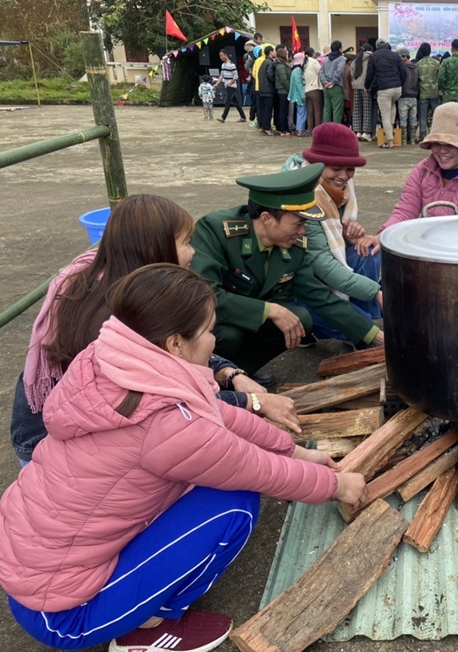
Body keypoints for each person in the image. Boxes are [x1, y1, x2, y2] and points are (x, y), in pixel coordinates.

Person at [0, 264, 367, 652]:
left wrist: (294, 450)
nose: (214, 341)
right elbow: (253, 468)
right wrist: (337, 485)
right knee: (235, 504)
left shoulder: (117, 363)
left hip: (32, 572)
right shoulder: (167, 424)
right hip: (64, 615)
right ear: (176, 343)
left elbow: (218, 412)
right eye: (209, 330)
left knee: (190, 482)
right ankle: (146, 630)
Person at [10, 195, 301, 468]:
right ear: (155, 249)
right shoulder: (120, 315)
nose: (193, 252)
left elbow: (174, 353)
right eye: (186, 243)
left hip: (78, 424)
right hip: (50, 444)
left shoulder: (114, 281)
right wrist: (253, 402)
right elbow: (166, 404)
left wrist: (231, 374)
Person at [189, 166, 383, 375]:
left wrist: (373, 335)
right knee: (229, 335)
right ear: (266, 218)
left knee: (300, 318)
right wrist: (270, 310)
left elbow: (319, 296)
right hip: (213, 320)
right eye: (298, 224)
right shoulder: (216, 231)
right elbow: (204, 296)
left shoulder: (294, 245)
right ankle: (214, 376)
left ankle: (247, 372)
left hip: (251, 319)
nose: (302, 231)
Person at [284, 124, 383, 340]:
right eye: (336, 168)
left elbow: (333, 240)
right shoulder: (305, 194)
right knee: (362, 329)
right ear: (317, 165)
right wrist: (375, 292)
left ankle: (366, 318)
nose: (344, 176)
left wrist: (352, 237)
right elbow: (320, 260)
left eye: (349, 169)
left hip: (324, 274)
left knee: (370, 249)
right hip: (303, 284)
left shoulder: (337, 189)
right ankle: (349, 324)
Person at [374, 102, 458, 242]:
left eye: (451, 144)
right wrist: (383, 235)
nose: (443, 150)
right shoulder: (423, 170)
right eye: (437, 143)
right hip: (425, 246)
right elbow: (406, 210)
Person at [365, 39, 406, 149]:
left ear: (377, 46)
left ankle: (390, 141)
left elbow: (370, 74)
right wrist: (401, 83)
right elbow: (403, 71)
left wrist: (367, 86)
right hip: (397, 88)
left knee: (385, 117)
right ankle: (391, 130)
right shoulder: (395, 55)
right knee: (392, 106)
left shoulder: (374, 56)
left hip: (384, 88)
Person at [214, 49, 247, 123]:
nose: (221, 57)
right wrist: (217, 84)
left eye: (222, 55)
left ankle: (223, 117)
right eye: (220, 56)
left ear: (226, 55)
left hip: (231, 86)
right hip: (227, 85)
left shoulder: (232, 65)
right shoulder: (223, 65)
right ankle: (243, 116)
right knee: (236, 102)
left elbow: (236, 76)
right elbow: (221, 75)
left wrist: (230, 83)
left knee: (227, 101)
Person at [416, 42, 440, 141]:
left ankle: (423, 137)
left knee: (423, 116)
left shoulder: (418, 64)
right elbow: (440, 78)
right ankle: (436, 136)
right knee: (436, 116)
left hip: (422, 94)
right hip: (434, 93)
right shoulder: (436, 63)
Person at [396, 46, 420, 145]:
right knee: (413, 119)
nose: (400, 59)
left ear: (405, 56)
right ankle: (413, 140)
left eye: (401, 57)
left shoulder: (402, 68)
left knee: (403, 119)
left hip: (404, 96)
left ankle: (404, 140)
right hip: (414, 96)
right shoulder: (416, 68)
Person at [351, 43, 374, 140]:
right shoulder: (371, 59)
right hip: (366, 87)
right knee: (367, 110)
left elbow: (352, 73)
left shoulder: (356, 60)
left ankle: (358, 132)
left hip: (356, 86)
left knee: (357, 109)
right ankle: (366, 132)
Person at [320, 40, 346, 123]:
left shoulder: (326, 59)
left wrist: (325, 82)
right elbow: (339, 71)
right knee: (337, 110)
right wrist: (333, 82)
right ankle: (336, 131)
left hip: (326, 87)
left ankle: (326, 130)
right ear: (339, 49)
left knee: (327, 109)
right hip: (336, 87)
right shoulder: (341, 59)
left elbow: (320, 72)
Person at [438, 38, 458, 104]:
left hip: (448, 94)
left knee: (448, 113)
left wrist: (441, 88)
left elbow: (441, 77)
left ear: (451, 48)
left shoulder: (446, 61)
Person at [256, 45, 278, 135]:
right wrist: (275, 80)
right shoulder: (270, 63)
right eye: (274, 51)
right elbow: (270, 75)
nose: (275, 53)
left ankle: (262, 126)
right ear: (270, 52)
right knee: (268, 110)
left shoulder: (263, 62)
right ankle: (267, 128)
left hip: (262, 89)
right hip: (268, 90)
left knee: (263, 109)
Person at [303, 46, 324, 134]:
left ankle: (310, 129)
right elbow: (321, 72)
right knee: (317, 111)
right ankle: (317, 131)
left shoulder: (305, 64)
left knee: (310, 112)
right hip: (315, 89)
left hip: (307, 90)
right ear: (312, 53)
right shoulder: (314, 62)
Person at [289, 51, 309, 136]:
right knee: (302, 113)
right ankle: (300, 130)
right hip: (299, 95)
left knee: (300, 112)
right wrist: (303, 95)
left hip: (296, 95)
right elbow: (299, 84)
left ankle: (300, 129)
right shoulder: (298, 71)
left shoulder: (294, 70)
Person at [274, 46, 292, 136]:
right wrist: (290, 89)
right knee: (283, 111)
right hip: (283, 91)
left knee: (284, 110)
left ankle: (284, 128)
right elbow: (284, 79)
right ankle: (283, 129)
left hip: (284, 90)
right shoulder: (280, 66)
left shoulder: (283, 64)